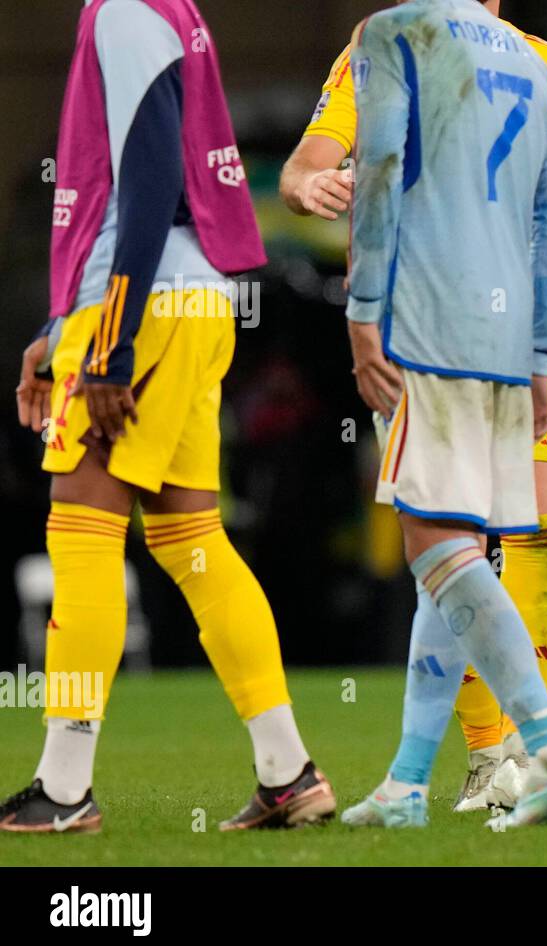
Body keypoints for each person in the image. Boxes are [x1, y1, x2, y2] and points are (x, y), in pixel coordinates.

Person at [279, 0, 547, 818]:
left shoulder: (394, 37)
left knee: (441, 548)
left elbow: (368, 175)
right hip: (515, 336)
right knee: (457, 541)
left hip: (434, 322)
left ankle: (545, 752)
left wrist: (362, 311)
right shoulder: (535, 61)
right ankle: (420, 779)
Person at [4, 0, 333, 834]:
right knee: (193, 541)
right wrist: (60, 327)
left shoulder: (122, 10)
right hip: (194, 300)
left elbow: (150, 175)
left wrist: (108, 344)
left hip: (141, 306)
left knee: (80, 531)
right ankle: (288, 772)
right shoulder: (169, 9)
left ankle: (65, 787)